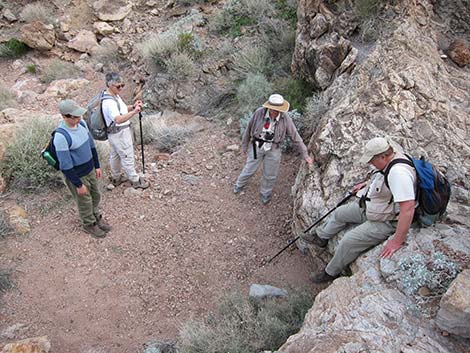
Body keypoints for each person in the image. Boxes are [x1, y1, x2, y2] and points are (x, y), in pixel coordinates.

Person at [309, 137, 417, 283]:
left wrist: (397, 240)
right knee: (340, 213)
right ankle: (322, 237)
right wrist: (366, 185)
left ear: (383, 156)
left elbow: (408, 208)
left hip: (388, 220)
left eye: (372, 160)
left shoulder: (399, 173)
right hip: (376, 207)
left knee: (348, 241)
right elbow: (382, 177)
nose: (369, 163)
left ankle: (330, 272)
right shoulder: (391, 159)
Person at [233, 94, 313, 204]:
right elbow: (249, 128)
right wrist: (245, 145)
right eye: (273, 109)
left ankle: (265, 193)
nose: (275, 112)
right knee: (250, 167)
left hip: (274, 149)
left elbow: (295, 136)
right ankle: (239, 184)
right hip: (257, 146)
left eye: (278, 110)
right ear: (269, 107)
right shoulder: (259, 112)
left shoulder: (285, 118)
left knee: (270, 174)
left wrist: (305, 154)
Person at [55, 99, 111, 238]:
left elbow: (91, 146)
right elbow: (65, 166)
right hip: (77, 175)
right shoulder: (61, 136)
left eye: (79, 115)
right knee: (84, 200)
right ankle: (89, 224)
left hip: (90, 169)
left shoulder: (82, 124)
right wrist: (78, 184)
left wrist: (97, 166)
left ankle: (96, 216)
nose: (79, 118)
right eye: (75, 116)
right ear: (64, 116)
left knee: (95, 194)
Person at [102, 72, 149, 189]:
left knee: (115, 156)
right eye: (118, 86)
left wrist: (132, 107)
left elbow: (122, 109)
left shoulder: (111, 95)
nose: (121, 88)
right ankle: (135, 180)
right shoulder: (109, 102)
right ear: (110, 85)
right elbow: (118, 119)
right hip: (120, 133)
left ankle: (116, 178)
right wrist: (134, 112)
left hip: (114, 133)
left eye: (122, 85)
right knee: (127, 155)